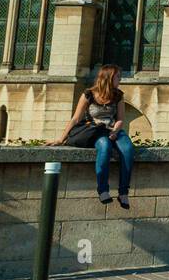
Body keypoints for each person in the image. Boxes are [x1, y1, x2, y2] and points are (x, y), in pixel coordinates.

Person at [49, 63, 136, 207]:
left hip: (113, 129)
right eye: (117, 77)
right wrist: (61, 139)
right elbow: (76, 118)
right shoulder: (88, 94)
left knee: (127, 149)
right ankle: (103, 190)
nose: (120, 80)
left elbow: (120, 119)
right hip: (95, 131)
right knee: (105, 147)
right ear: (108, 78)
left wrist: (115, 131)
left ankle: (123, 192)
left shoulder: (118, 95)